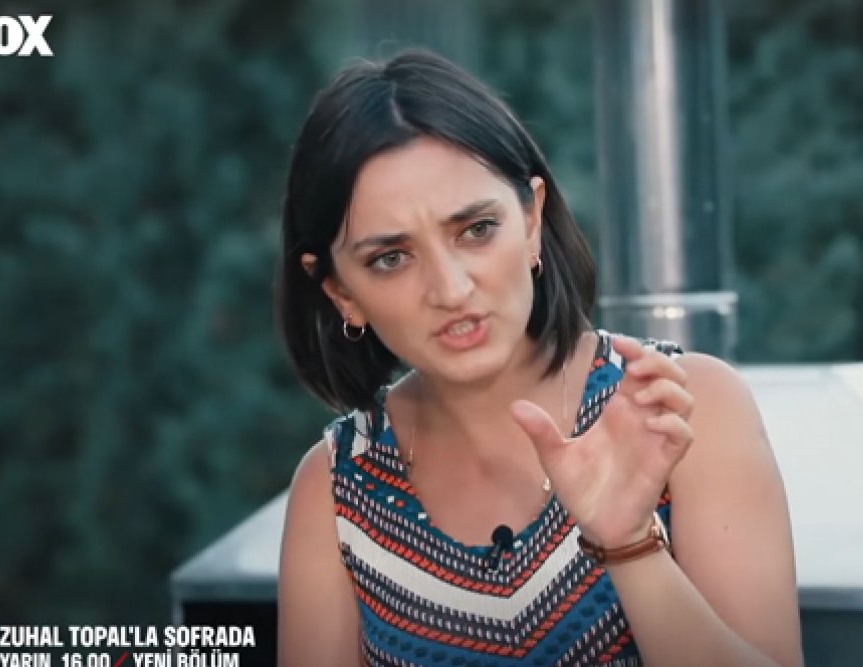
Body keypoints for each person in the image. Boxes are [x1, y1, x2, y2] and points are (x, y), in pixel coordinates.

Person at [274, 48, 802, 667]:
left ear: (531, 220)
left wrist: (630, 546)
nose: (451, 290)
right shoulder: (337, 488)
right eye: (391, 258)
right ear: (341, 292)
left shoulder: (683, 408)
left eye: (476, 230)